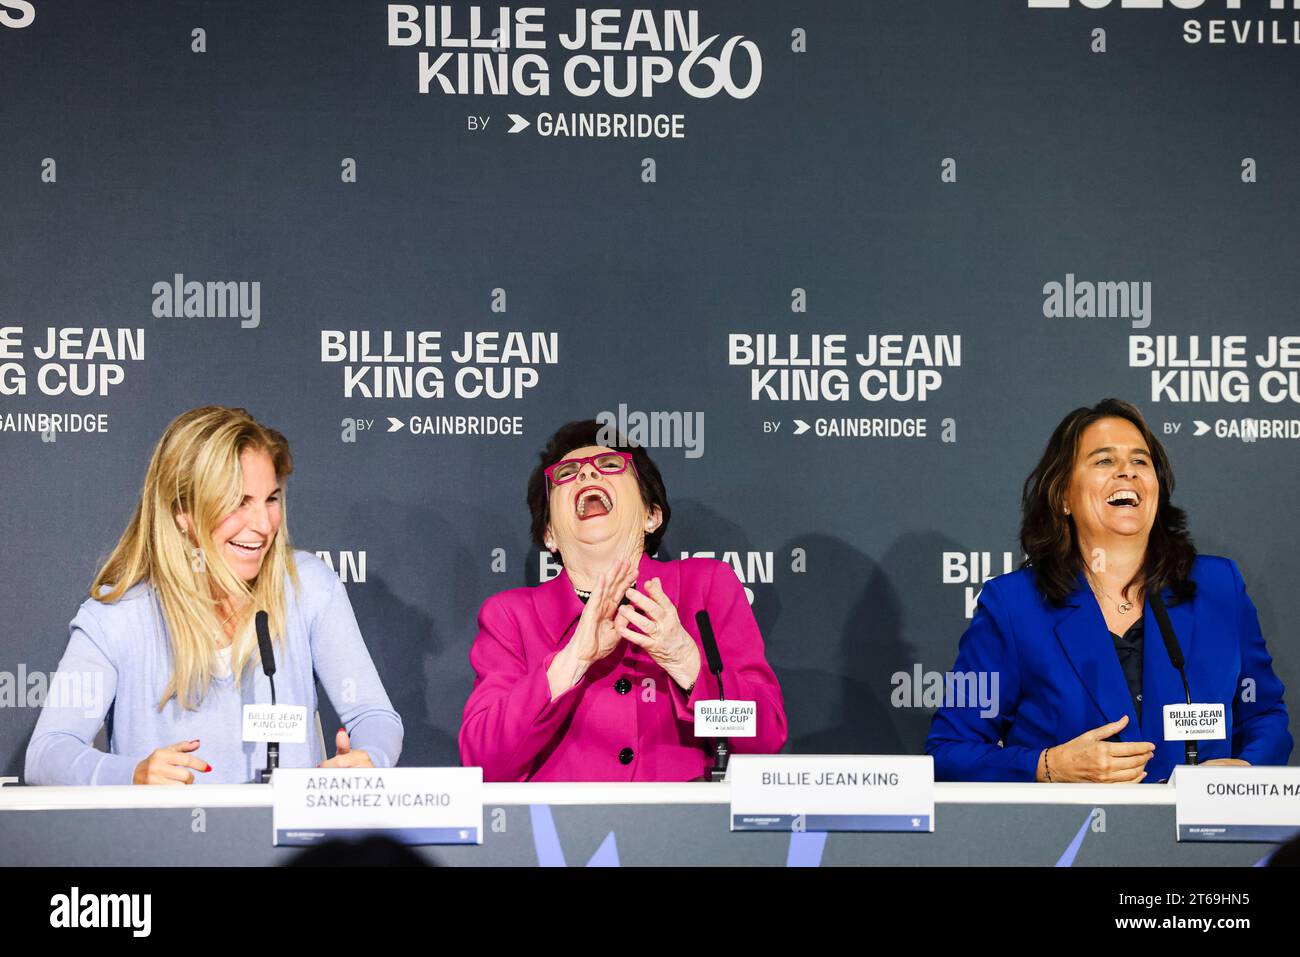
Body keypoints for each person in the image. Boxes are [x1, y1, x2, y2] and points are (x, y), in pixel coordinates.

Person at [25, 406, 402, 785]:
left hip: (290, 841)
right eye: (239, 502)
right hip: (164, 842)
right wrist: (132, 775)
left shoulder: (307, 585)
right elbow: (47, 753)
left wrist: (371, 756)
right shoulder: (119, 614)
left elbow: (373, 715)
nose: (263, 525)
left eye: (270, 499)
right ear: (182, 512)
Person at [926, 398, 1291, 783]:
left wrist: (1246, 769)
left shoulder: (1219, 588)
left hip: (1199, 837)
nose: (1127, 473)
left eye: (1140, 461)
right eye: (1104, 461)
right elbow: (949, 750)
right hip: (1068, 838)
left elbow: (1264, 715)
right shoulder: (1014, 606)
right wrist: (1048, 766)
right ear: (1063, 495)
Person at [459, 420, 786, 781]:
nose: (585, 476)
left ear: (651, 515)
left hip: (686, 829)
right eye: (568, 473)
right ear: (549, 533)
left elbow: (764, 742)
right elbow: (485, 767)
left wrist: (685, 662)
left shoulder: (706, 588)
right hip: (561, 833)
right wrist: (573, 659)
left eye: (610, 465)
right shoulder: (510, 616)